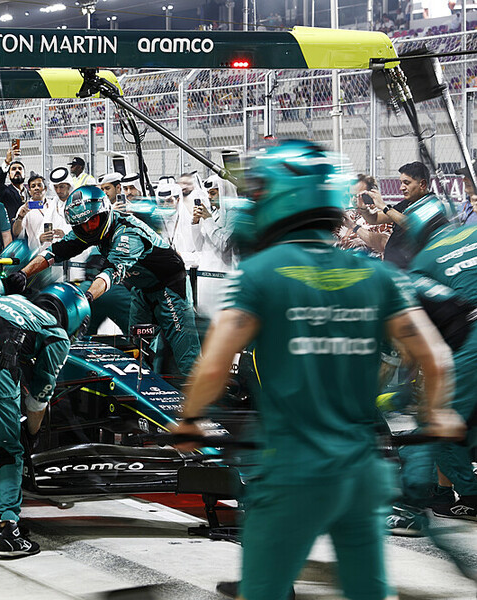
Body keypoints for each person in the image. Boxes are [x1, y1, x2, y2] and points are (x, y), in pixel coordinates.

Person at [169, 140, 463, 600]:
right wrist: (438, 412)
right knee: (369, 590)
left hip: (291, 470)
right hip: (362, 470)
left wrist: (189, 420)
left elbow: (213, 365)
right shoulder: (378, 276)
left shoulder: (260, 274)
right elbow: (435, 357)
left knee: (263, 591)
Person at [0, 283, 87, 558]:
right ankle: (9, 529)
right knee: (10, 448)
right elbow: (38, 399)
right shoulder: (56, 333)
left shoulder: (15, 301)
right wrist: (31, 434)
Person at [7, 185, 201, 377]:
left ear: (104, 212)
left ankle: (198, 391)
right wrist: (23, 273)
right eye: (82, 225)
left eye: (93, 222)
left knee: (186, 353)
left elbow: (109, 273)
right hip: (141, 289)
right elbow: (55, 252)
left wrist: (87, 298)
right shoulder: (88, 229)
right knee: (138, 349)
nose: (88, 228)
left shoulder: (128, 234)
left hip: (170, 288)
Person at [400, 195, 477, 523]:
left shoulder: (422, 264)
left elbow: (423, 336)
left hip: (471, 341)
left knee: (438, 423)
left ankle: (467, 497)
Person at [357, 161, 435, 268]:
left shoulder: (431, 204)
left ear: (422, 184)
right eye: (401, 183)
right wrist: (364, 209)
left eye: (406, 183)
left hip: (411, 271)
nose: (401, 188)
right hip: (393, 268)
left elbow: (413, 225)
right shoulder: (406, 203)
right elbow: (374, 219)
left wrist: (383, 206)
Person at [191, 175, 236, 334]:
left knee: (223, 329)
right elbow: (199, 246)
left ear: (224, 192)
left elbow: (224, 245)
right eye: (208, 193)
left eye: (213, 193)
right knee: (206, 329)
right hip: (205, 279)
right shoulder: (211, 213)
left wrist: (208, 219)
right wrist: (195, 222)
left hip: (222, 280)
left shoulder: (234, 215)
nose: (209, 197)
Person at [0, 144, 28, 223]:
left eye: (20, 169)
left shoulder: (30, 192)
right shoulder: (5, 192)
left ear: (25, 174)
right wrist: (7, 162)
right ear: (9, 176)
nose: (17, 171)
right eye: (13, 169)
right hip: (12, 229)